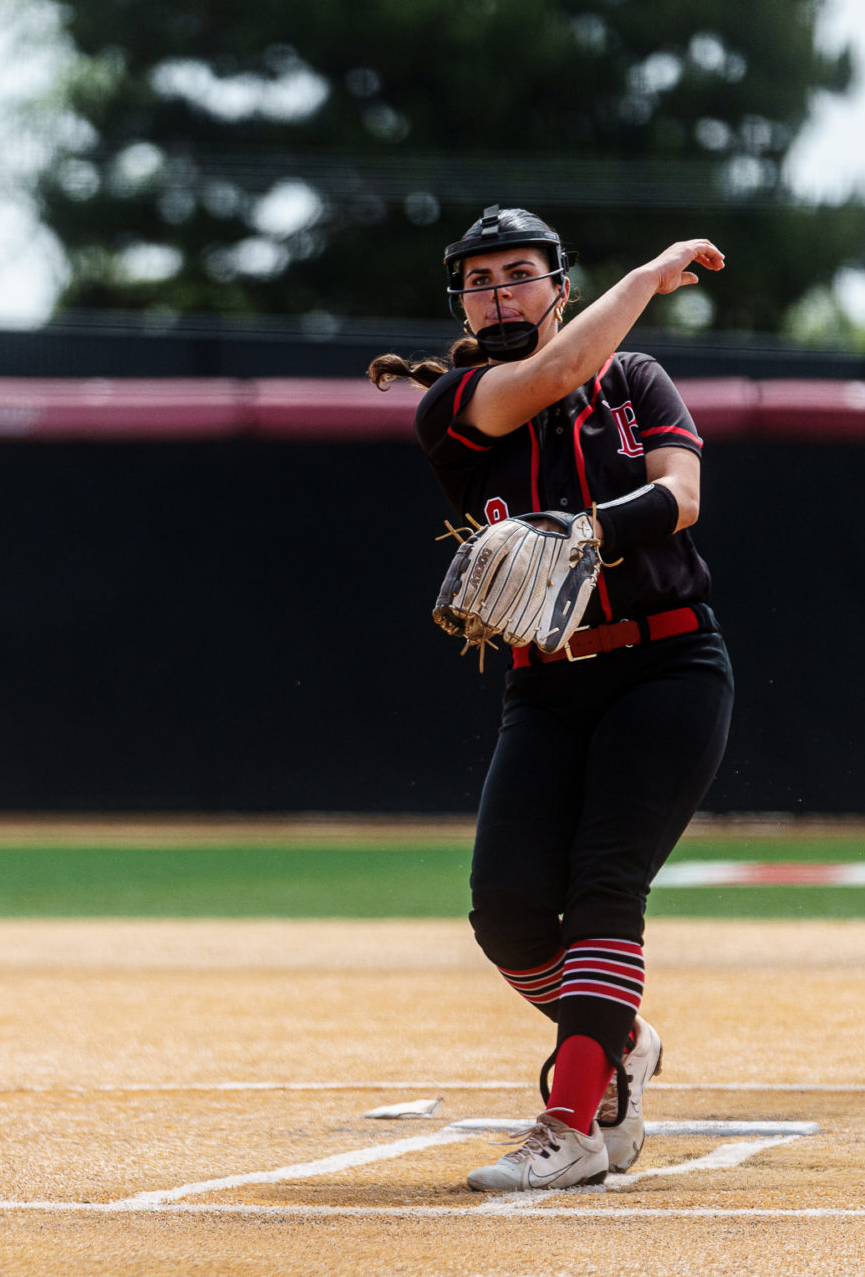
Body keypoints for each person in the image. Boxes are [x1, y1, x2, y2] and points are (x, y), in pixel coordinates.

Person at [368, 206, 735, 1191]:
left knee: (605, 883)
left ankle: (570, 1125)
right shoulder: (452, 405)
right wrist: (648, 278)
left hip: (668, 665)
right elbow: (557, 369)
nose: (499, 294)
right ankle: (618, 1038)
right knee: (507, 912)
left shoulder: (635, 381)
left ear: (560, 286)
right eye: (479, 281)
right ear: (461, 304)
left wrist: (586, 528)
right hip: (546, 682)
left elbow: (682, 497)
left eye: (518, 273)